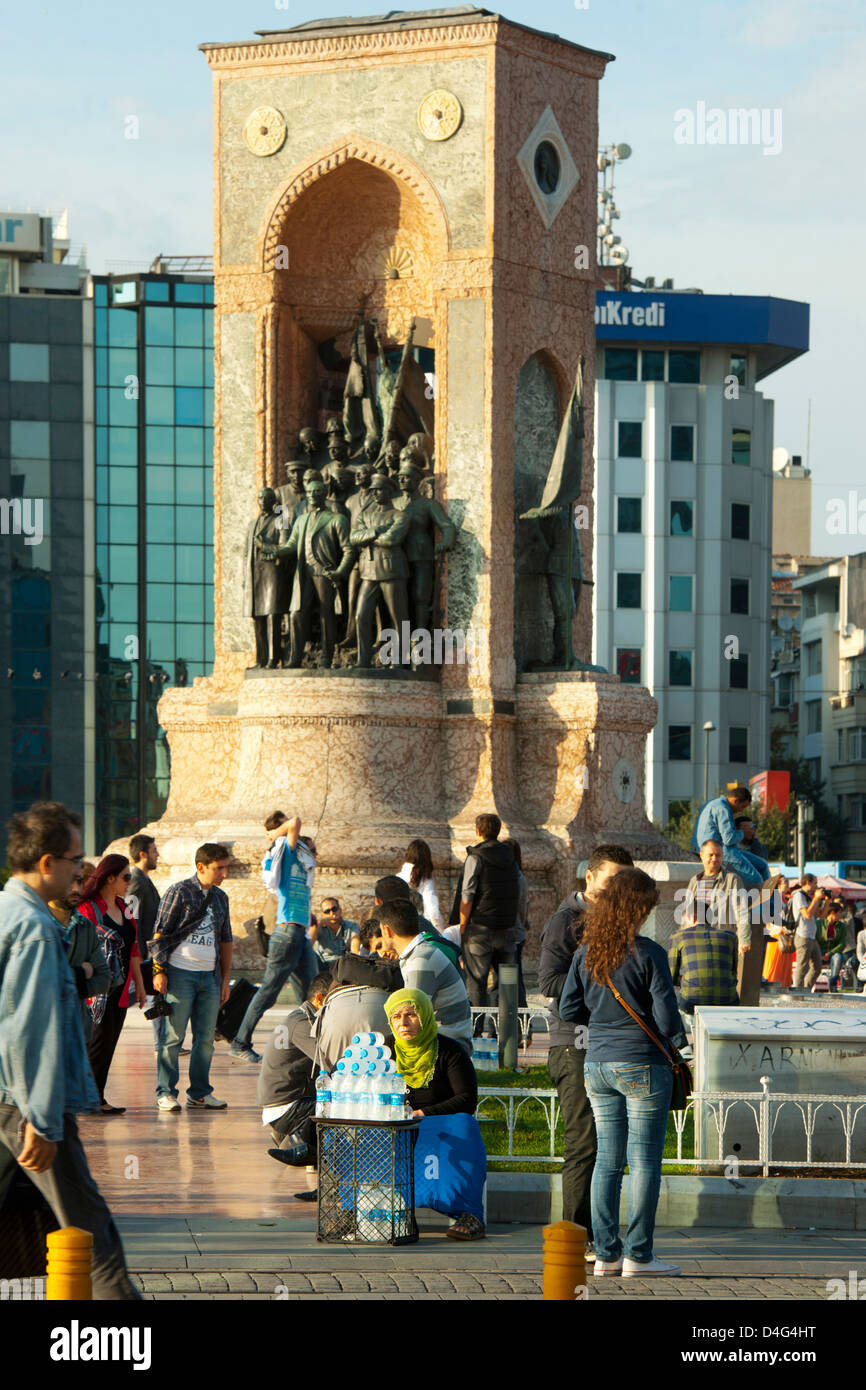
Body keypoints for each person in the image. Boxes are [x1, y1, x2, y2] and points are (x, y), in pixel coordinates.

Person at [0, 801, 141, 1299]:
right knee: (89, 1230)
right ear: (46, 863)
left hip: (7, 1097)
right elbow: (29, 1029)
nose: (82, 870)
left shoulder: (7, 910)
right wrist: (40, 1118)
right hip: (28, 1104)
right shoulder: (36, 930)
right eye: (75, 860)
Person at [560, 868, 686, 1277]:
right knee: (645, 1162)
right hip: (643, 1064)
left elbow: (567, 1010)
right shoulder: (649, 953)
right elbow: (666, 1019)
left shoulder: (586, 953)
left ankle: (607, 1255)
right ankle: (640, 1256)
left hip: (597, 1064)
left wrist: (602, 1017)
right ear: (637, 909)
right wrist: (680, 1043)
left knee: (607, 1162)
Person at [538, 844, 634, 1248]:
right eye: (611, 880)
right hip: (573, 1044)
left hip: (611, 1044)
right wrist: (597, 984)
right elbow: (548, 983)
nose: (617, 890)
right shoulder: (566, 921)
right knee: (584, 1142)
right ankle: (576, 1237)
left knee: (611, 1145)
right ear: (589, 877)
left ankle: (603, 1234)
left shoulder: (617, 921)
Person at [384, 987, 484, 1240]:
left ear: (426, 1016)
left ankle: (467, 1214)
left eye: (411, 1015)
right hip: (393, 1129)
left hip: (438, 1129)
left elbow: (466, 1099)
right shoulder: (383, 1051)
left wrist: (422, 1113)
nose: (404, 1023)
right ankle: (364, 1210)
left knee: (464, 1125)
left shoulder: (450, 1051)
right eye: (396, 1017)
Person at [150, 843, 234, 1111]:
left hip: (209, 976)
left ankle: (199, 1092)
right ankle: (166, 1091)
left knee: (206, 1039)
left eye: (225, 867)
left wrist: (224, 979)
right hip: (180, 973)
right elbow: (160, 932)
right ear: (201, 867)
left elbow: (226, 939)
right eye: (219, 868)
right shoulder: (179, 891)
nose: (224, 873)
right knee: (173, 1037)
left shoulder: (221, 898)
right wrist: (159, 970)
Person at [230, 813, 317, 1063]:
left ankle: (310, 1043)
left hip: (298, 934)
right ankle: (240, 1042)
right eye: (311, 848)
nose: (314, 853)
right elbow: (297, 821)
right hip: (286, 933)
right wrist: (278, 832)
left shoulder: (303, 866)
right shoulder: (289, 854)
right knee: (268, 991)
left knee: (310, 993)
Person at [78, 855, 147, 1114]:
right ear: (110, 878)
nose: (130, 882)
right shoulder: (88, 908)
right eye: (126, 877)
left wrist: (139, 986)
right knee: (94, 1043)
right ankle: (84, 1098)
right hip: (96, 991)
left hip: (120, 988)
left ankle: (97, 1097)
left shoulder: (124, 907)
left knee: (108, 1044)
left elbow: (134, 949)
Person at [259, 973, 330, 1193]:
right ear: (319, 999)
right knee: (345, 1111)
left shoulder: (298, 1017)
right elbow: (329, 1061)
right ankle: (300, 1141)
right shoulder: (302, 1023)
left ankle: (303, 1143)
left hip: (287, 1102)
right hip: (287, 1107)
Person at [378, 900, 473, 1054]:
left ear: (387, 931)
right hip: (441, 1040)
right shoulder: (418, 954)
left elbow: (410, 1016)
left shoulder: (421, 959)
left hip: (448, 1047)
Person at [453, 813, 520, 1009]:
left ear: (478, 831)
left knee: (476, 981)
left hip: (479, 929)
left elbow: (467, 896)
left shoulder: (476, 857)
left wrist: (463, 924)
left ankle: (476, 1032)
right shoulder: (510, 858)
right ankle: (505, 1032)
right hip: (507, 928)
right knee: (506, 984)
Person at [680, 839, 759, 1004]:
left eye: (718, 855)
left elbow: (742, 910)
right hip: (698, 942)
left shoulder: (732, 880)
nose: (714, 859)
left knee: (724, 984)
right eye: (711, 855)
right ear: (701, 856)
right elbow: (687, 912)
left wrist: (744, 939)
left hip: (723, 940)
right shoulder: (694, 881)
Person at [48, 870, 111, 1045]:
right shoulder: (36, 923)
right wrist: (82, 971)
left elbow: (104, 978)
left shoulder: (85, 926)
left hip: (77, 1028)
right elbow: (41, 981)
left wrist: (74, 988)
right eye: (70, 882)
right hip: (42, 1030)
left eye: (80, 882)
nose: (76, 889)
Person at [667, 899, 739, 1022]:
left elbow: (670, 976)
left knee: (678, 998)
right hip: (727, 1000)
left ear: (692, 917)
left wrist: (688, 979)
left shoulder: (678, 936)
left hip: (692, 1002)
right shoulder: (730, 937)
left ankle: (695, 1036)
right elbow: (733, 972)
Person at [690, 784, 773, 889]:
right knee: (757, 879)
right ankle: (767, 904)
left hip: (707, 849)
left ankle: (768, 901)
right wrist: (741, 833)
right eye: (742, 806)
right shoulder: (723, 809)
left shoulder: (710, 804)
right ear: (736, 801)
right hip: (724, 852)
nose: (741, 811)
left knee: (762, 865)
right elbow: (729, 839)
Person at [127, 834, 163, 1047]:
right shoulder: (136, 882)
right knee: (136, 994)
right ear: (143, 854)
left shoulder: (144, 879)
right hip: (141, 952)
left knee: (155, 995)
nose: (157, 854)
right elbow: (131, 919)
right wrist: (138, 952)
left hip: (147, 950)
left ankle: (162, 1041)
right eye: (154, 850)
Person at [791, 874, 827, 990]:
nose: (816, 886)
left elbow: (821, 915)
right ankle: (798, 990)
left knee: (817, 967)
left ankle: (805, 988)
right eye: (815, 883)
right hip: (802, 935)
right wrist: (816, 898)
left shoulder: (809, 897)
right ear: (807, 883)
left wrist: (827, 901)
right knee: (802, 967)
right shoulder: (798, 896)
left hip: (811, 936)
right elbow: (807, 914)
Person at [398, 838, 443, 931]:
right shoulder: (426, 881)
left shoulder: (398, 878)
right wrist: (439, 933)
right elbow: (432, 910)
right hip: (421, 929)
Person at [309, 896, 360, 966]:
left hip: (344, 965)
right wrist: (318, 924)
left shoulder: (352, 926)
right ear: (323, 915)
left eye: (334, 909)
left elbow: (355, 949)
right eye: (327, 911)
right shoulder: (320, 928)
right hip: (323, 964)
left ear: (340, 910)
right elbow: (308, 943)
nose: (332, 913)